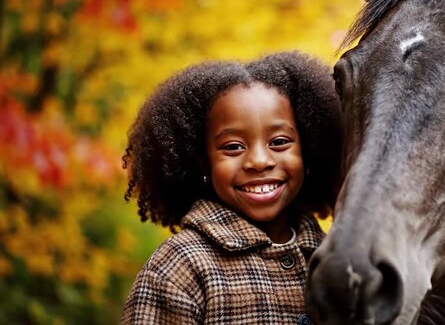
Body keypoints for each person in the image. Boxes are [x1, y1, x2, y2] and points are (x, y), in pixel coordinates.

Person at [120, 52, 343, 324]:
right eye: (233, 147)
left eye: (280, 142)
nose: (260, 161)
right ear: (203, 163)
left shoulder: (338, 259)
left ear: (309, 149)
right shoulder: (178, 268)